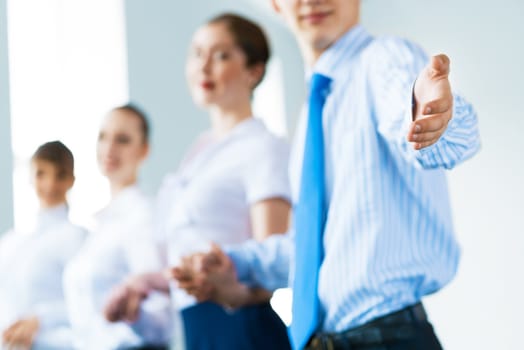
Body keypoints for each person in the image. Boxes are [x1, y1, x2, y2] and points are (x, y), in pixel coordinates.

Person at [172, 1, 482, 350]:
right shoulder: (313, 111)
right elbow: (312, 249)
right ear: (276, 4)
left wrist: (435, 122)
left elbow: (418, 124)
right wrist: (237, 262)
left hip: (387, 339)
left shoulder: (384, 58)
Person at [104, 13, 292, 350]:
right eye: (197, 53)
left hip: (244, 328)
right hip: (196, 328)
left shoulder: (263, 148)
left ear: (254, 71)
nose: (203, 66)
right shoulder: (198, 155)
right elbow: (185, 263)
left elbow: (275, 261)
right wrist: (141, 285)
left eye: (221, 55)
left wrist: (228, 290)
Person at [62, 105, 171, 350]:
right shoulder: (101, 227)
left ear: (144, 150)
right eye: (103, 137)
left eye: (122, 140)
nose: (109, 148)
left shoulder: (142, 217)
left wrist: (132, 314)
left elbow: (161, 317)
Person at [0, 141, 86, 350]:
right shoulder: (10, 242)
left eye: (60, 175)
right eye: (41, 173)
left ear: (72, 180)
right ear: (30, 177)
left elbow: (89, 304)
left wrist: (40, 319)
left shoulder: (78, 238)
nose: (50, 184)